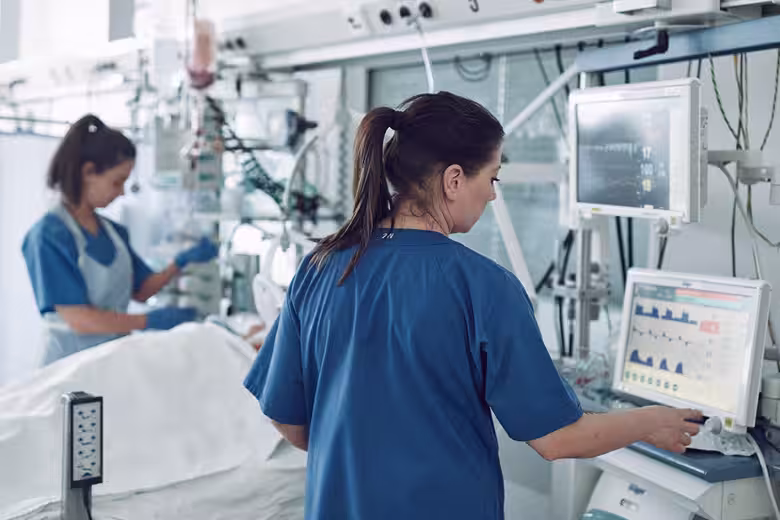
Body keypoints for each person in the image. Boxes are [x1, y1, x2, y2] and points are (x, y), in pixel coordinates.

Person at [243, 92, 702, 520]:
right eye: (493, 177)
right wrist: (651, 420)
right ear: (454, 179)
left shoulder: (320, 267)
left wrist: (359, 461)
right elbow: (558, 438)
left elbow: (288, 417)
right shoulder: (484, 287)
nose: (494, 194)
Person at [22, 114, 218, 366]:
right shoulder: (49, 235)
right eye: (117, 182)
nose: (122, 192)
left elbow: (142, 289)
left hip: (109, 360)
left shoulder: (113, 233)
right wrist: (148, 321)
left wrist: (180, 262)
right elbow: (78, 318)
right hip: (66, 367)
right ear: (89, 172)